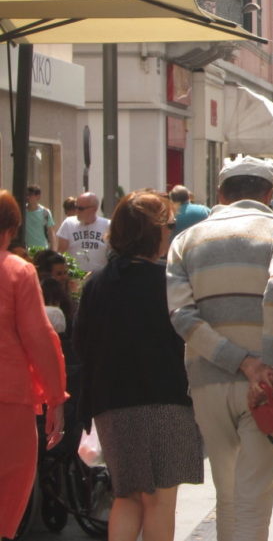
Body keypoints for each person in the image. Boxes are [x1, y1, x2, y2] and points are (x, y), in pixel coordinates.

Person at [167, 155, 273, 541]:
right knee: (253, 499)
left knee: (226, 496)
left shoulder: (185, 239)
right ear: (270, 193)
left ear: (221, 193)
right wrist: (265, 365)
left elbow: (182, 316)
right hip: (268, 381)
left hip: (208, 379)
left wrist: (239, 362)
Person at [73, 190, 203, 541]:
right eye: (169, 225)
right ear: (154, 231)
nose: (171, 233)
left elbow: (82, 345)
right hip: (166, 399)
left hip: (112, 404)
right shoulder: (169, 281)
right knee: (160, 500)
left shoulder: (96, 284)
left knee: (126, 496)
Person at [0, 189, 67, 539]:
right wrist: (55, 396)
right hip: (8, 398)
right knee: (8, 492)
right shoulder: (17, 271)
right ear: (12, 228)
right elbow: (38, 336)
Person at [56, 192, 110, 273]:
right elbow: (61, 252)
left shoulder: (107, 225)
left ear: (94, 209)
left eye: (80, 208)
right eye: (76, 207)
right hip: (75, 276)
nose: (77, 211)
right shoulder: (68, 223)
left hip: (99, 278)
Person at [25, 184, 56, 249]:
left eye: (30, 195)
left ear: (38, 196)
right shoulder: (22, 211)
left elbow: (51, 232)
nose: (28, 197)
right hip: (26, 249)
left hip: (42, 249)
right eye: (27, 195)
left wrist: (53, 249)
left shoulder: (45, 212)